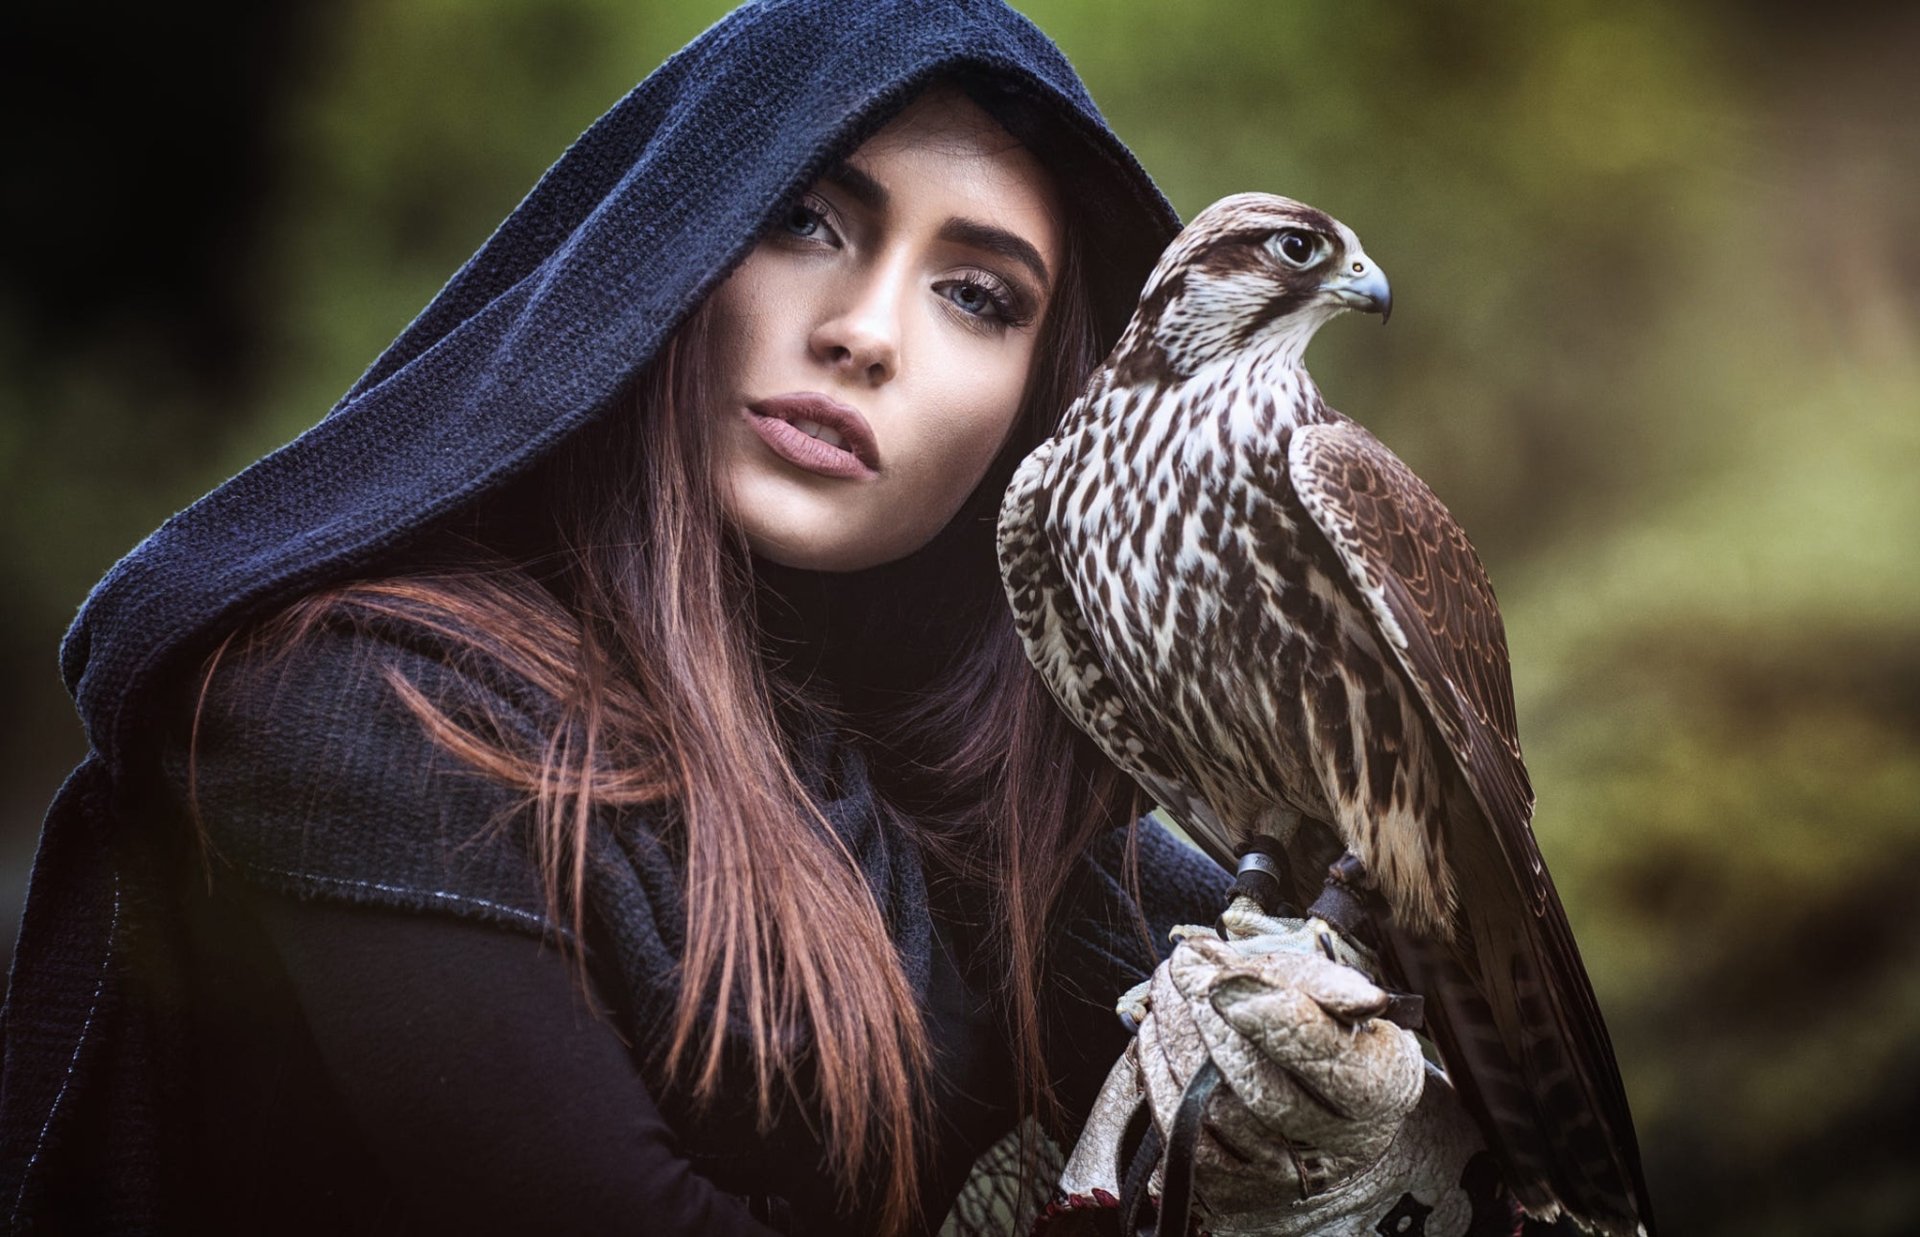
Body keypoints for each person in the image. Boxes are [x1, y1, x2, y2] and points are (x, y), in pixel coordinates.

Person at [0, 3, 1519, 1234]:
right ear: (669, 242)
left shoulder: (988, 798)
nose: (863, 330)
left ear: (1040, 407)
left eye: (978, 296)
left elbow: (1454, 1099)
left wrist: (1356, 1137)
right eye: (804, 218)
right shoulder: (350, 707)